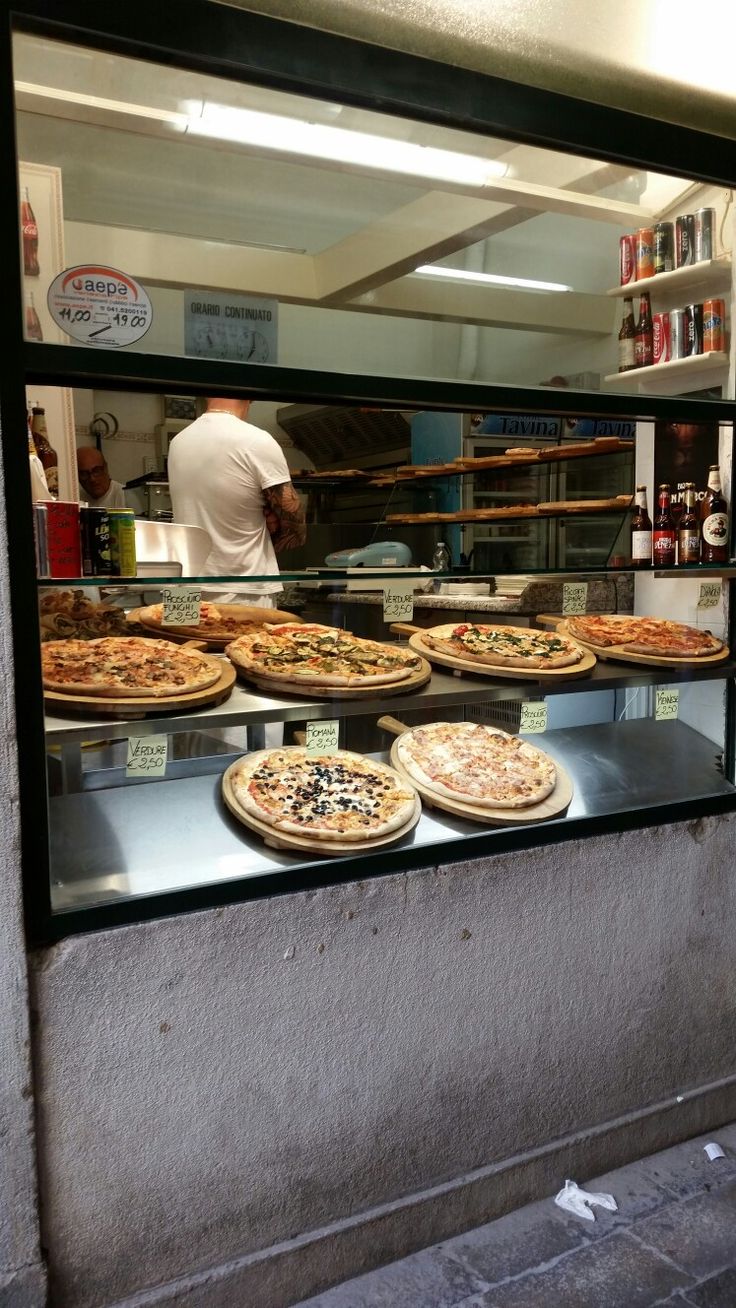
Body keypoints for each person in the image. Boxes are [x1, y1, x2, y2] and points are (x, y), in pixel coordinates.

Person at [167, 397, 306, 605]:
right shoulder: (256, 440)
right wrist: (269, 529)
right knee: (251, 640)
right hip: (242, 591)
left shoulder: (178, 441)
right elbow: (296, 528)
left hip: (182, 594)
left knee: (175, 639)